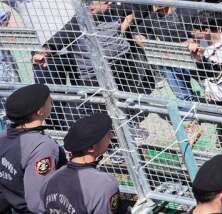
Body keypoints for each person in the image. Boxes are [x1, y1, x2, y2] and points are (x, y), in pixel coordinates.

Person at [40, 111, 128, 214]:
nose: (112, 136)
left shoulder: (51, 180)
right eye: (107, 134)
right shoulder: (104, 185)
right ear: (91, 148)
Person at [0, 83, 62, 213]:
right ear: (40, 111)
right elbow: (37, 203)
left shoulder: (4, 137)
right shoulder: (42, 147)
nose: (52, 101)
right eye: (48, 99)